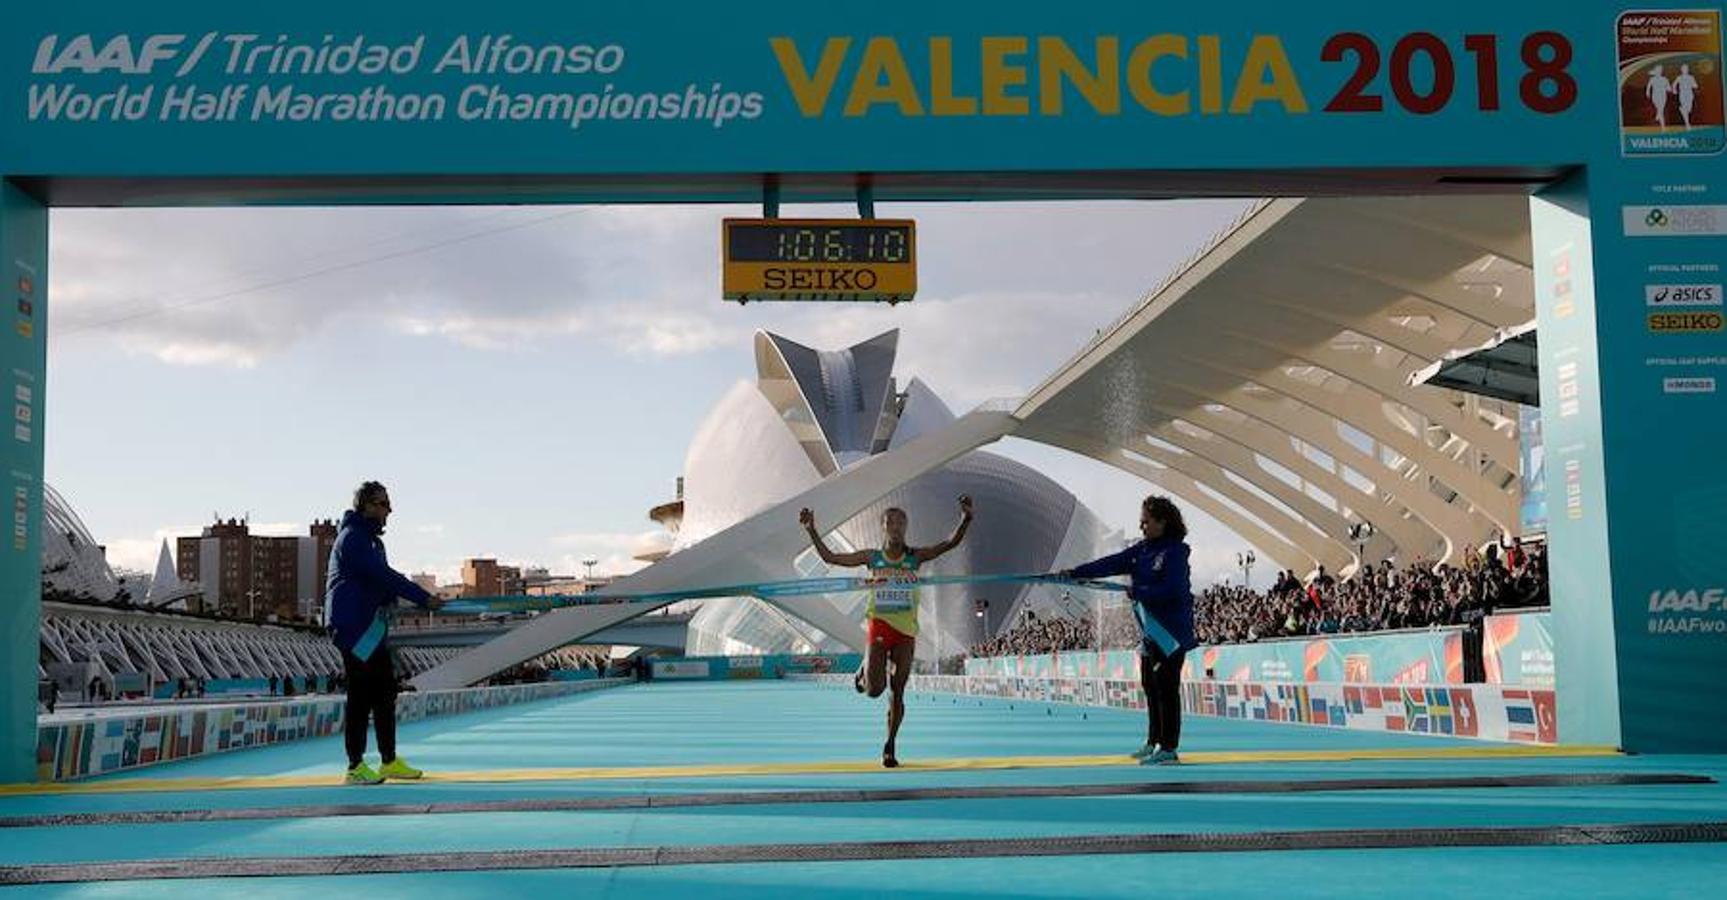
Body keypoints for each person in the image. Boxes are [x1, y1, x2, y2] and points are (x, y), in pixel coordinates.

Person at [799, 496, 974, 768]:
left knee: (898, 692)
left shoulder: (915, 557)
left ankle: (890, 745)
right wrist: (811, 529)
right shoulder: (872, 557)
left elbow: (949, 544)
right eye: (890, 522)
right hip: (879, 625)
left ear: (906, 527)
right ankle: (863, 673)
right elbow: (830, 557)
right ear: (882, 527)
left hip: (906, 632)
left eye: (900, 522)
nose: (895, 526)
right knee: (874, 691)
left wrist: (965, 518)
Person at [326, 481, 443, 785]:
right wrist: (423, 597)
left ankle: (388, 761)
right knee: (361, 695)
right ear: (364, 505)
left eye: (388, 504)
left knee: (384, 694)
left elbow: (379, 584)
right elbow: (384, 576)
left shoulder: (373, 542)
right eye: (381, 504)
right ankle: (355, 766)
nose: (388, 510)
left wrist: (393, 600)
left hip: (370, 628)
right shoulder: (353, 539)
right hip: (353, 628)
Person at [1063, 496, 1194, 765]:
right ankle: (1153, 740)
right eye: (1141, 522)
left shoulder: (1176, 552)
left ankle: (1169, 747)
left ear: (1162, 522)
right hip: (1149, 632)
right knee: (1150, 685)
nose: (1142, 526)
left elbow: (1174, 590)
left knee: (1166, 688)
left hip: (1170, 634)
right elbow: (1110, 563)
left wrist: (1140, 591)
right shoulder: (1141, 550)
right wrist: (1076, 573)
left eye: (1146, 522)